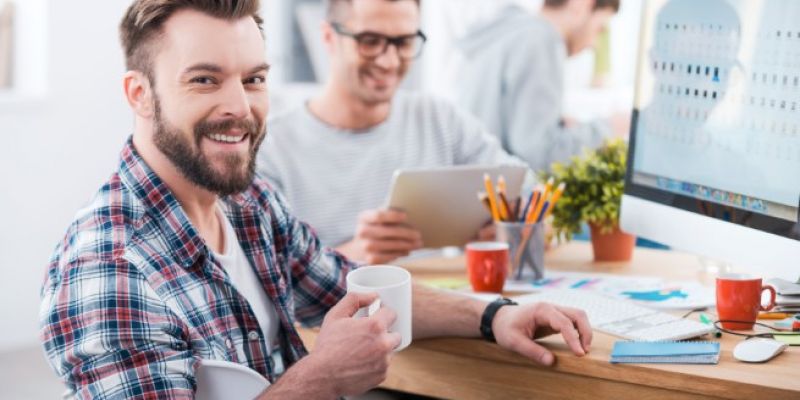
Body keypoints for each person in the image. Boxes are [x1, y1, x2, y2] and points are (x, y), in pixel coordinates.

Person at [39, 1, 591, 398]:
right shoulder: (108, 271)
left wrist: (494, 316)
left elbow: (353, 287)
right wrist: (321, 378)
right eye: (205, 80)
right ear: (140, 93)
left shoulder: (248, 204)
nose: (240, 106)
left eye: (253, 79)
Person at [257, 0, 525, 265]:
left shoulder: (439, 119)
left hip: (446, 297)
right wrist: (351, 256)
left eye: (403, 42)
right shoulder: (272, 149)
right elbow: (270, 277)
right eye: (370, 41)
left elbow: (526, 189)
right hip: (349, 304)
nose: (389, 61)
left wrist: (510, 224)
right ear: (329, 38)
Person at [455, 0, 624, 173]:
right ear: (581, 5)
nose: (594, 44)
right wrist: (610, 128)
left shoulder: (507, 31)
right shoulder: (540, 38)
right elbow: (541, 154)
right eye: (600, 29)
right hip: (499, 193)